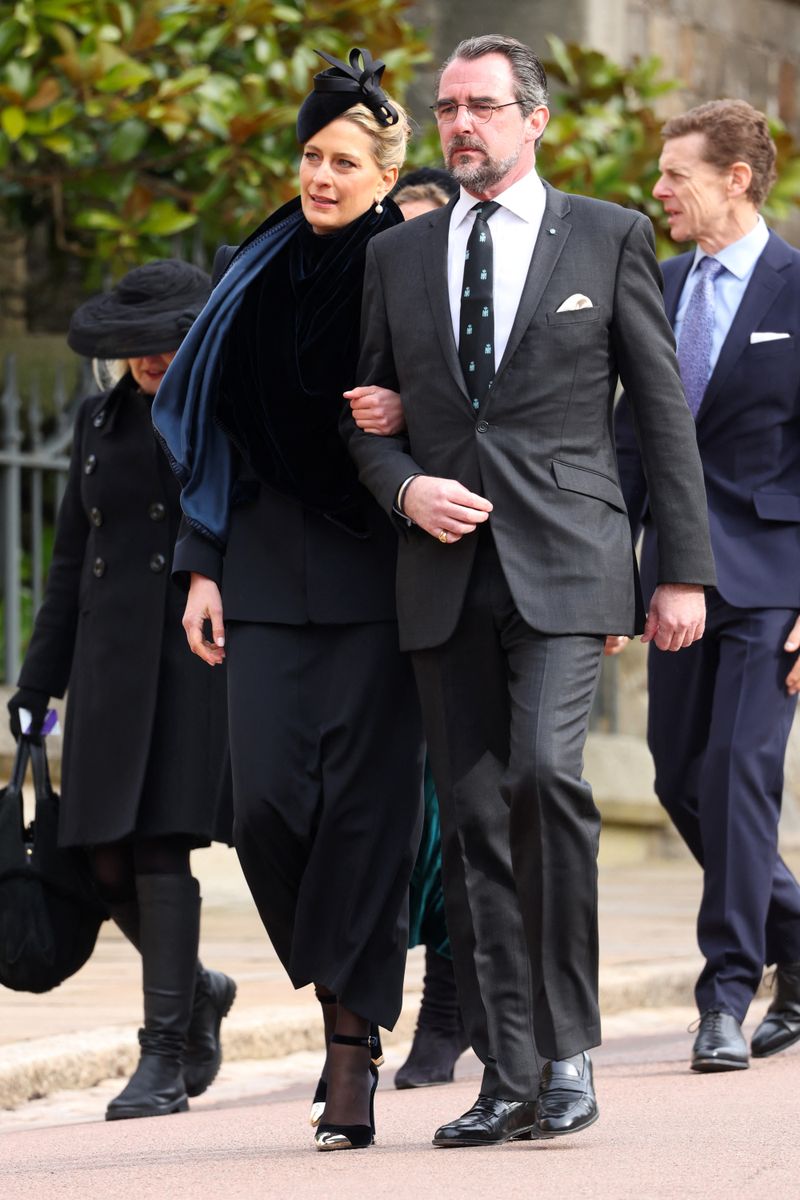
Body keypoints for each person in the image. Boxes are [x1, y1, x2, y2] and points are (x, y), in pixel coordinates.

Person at [341, 33, 716, 1147]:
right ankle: (505, 1074)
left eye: (483, 107)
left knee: (546, 781)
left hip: (569, 564)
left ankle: (566, 1053)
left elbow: (658, 416)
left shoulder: (606, 237)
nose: (461, 124)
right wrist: (405, 489)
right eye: (448, 107)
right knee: (469, 818)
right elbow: (368, 421)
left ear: (532, 119)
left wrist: (679, 569)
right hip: (442, 572)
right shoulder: (395, 260)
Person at [152, 48, 424, 1153]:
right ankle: (340, 970)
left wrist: (402, 402)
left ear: (379, 171)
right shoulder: (248, 270)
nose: (320, 176)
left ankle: (349, 1051)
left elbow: (456, 399)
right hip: (259, 570)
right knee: (264, 803)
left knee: (363, 818)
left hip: (373, 577)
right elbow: (209, 429)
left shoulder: (408, 266)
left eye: (343, 161)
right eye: (311, 155)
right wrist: (202, 565)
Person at [6, 260, 235, 1121]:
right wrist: (37, 683)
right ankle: (199, 989)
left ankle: (164, 1057)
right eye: (134, 346)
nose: (150, 360)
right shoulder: (94, 421)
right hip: (105, 664)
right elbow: (70, 561)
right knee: (100, 861)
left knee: (158, 846)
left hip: (190, 656)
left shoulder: (221, 415)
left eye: (165, 343)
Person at [614, 99, 800, 1073]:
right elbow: (629, 445)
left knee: (733, 773)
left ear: (734, 177)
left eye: (674, 172)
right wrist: (611, 579)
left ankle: (725, 994)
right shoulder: (657, 283)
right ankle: (796, 937)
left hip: (773, 581)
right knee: (677, 778)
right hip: (670, 580)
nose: (656, 191)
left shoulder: (796, 287)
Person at [385, 169, 470, 1092]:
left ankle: (447, 1013)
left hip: (466, 573)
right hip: (369, 584)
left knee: (452, 810)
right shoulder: (368, 297)